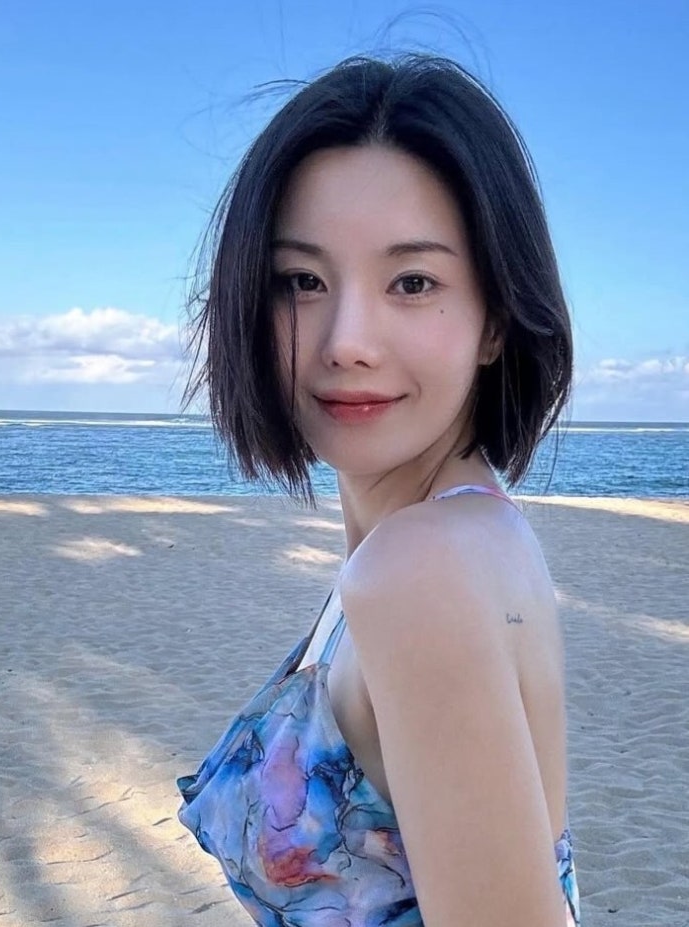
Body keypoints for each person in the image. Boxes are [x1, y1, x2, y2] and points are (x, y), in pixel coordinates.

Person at [177, 53, 582, 927]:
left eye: (412, 282)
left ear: (494, 319)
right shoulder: (461, 532)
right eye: (301, 281)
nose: (345, 340)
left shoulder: (417, 570)